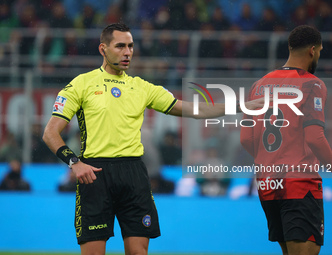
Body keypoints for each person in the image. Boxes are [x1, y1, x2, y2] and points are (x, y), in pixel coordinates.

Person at [42, 23, 264, 255]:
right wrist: (74, 163)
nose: (127, 52)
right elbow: (50, 132)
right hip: (96, 175)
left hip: (134, 174)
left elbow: (194, 109)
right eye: (120, 46)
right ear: (103, 49)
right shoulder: (82, 84)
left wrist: (241, 106)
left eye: (130, 46)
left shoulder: (142, 87)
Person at [240, 25, 329, 255]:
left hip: (268, 184)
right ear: (312, 50)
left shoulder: (258, 86)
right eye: (319, 51)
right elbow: (315, 137)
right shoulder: (313, 84)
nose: (319, 55)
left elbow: (245, 138)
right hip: (300, 184)